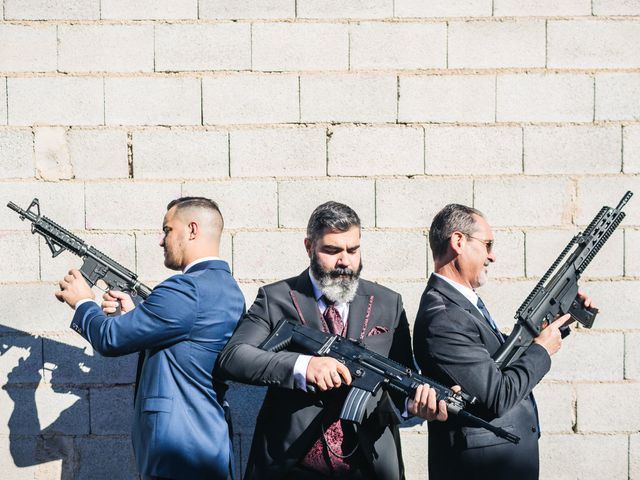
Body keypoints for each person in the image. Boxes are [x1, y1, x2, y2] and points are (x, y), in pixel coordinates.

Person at [217, 201, 448, 480]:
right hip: (293, 465)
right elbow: (234, 356)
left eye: (353, 249)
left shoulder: (388, 302)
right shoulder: (275, 298)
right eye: (332, 250)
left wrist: (412, 406)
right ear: (309, 247)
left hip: (369, 465)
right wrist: (303, 367)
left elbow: (398, 379)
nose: (345, 261)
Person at [55, 197, 244, 480]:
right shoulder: (227, 288)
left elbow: (110, 339)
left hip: (178, 451)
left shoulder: (186, 288)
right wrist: (136, 315)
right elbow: (186, 347)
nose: (161, 240)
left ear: (192, 230)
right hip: (205, 443)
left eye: (167, 230)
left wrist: (83, 303)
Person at [413, 204, 595, 480]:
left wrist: (559, 322)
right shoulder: (444, 316)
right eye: (487, 244)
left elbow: (502, 365)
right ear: (459, 242)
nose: (492, 256)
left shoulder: (460, 304)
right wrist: (542, 350)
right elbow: (497, 395)